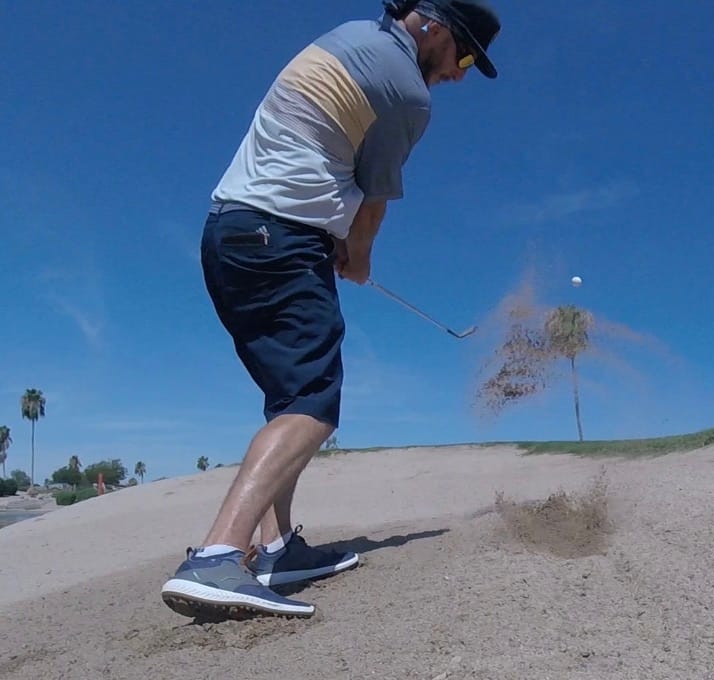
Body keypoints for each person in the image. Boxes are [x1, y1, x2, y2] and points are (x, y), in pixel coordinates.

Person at [160, 0, 503, 620]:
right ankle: (217, 554)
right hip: (279, 239)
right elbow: (373, 205)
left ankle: (278, 547)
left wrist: (335, 240)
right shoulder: (407, 91)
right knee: (314, 401)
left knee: (288, 397)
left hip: (229, 235)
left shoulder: (351, 36)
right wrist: (359, 256)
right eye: (467, 58)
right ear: (437, 29)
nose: (459, 75)